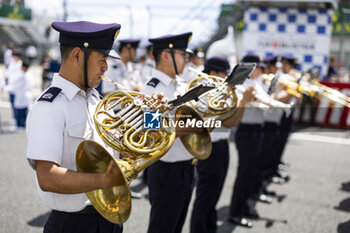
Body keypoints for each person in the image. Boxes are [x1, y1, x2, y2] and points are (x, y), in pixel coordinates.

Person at [26, 21, 127, 233]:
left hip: (108, 217)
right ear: (77, 56)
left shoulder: (95, 100)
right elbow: (47, 177)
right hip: (72, 224)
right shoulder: (50, 106)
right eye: (102, 59)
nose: (106, 68)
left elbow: (120, 150)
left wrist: (155, 117)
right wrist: (104, 180)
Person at [141, 32, 199, 233]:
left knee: (176, 226)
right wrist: (194, 124)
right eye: (183, 54)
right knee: (162, 227)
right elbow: (152, 131)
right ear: (166, 55)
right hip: (167, 171)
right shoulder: (152, 90)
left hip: (186, 167)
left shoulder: (180, 84)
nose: (187, 60)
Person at [190, 56, 254, 233]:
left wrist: (242, 101)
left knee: (213, 195)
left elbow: (234, 122)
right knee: (204, 198)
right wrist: (243, 101)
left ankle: (209, 228)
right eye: (225, 73)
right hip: (209, 147)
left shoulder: (222, 91)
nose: (227, 76)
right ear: (213, 73)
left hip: (221, 145)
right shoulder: (206, 91)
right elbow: (228, 123)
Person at [12, 60, 32, 130]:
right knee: (24, 111)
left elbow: (15, 86)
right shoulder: (29, 74)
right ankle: (23, 125)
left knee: (20, 112)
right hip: (26, 95)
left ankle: (20, 126)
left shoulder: (22, 76)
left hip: (21, 95)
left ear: (23, 67)